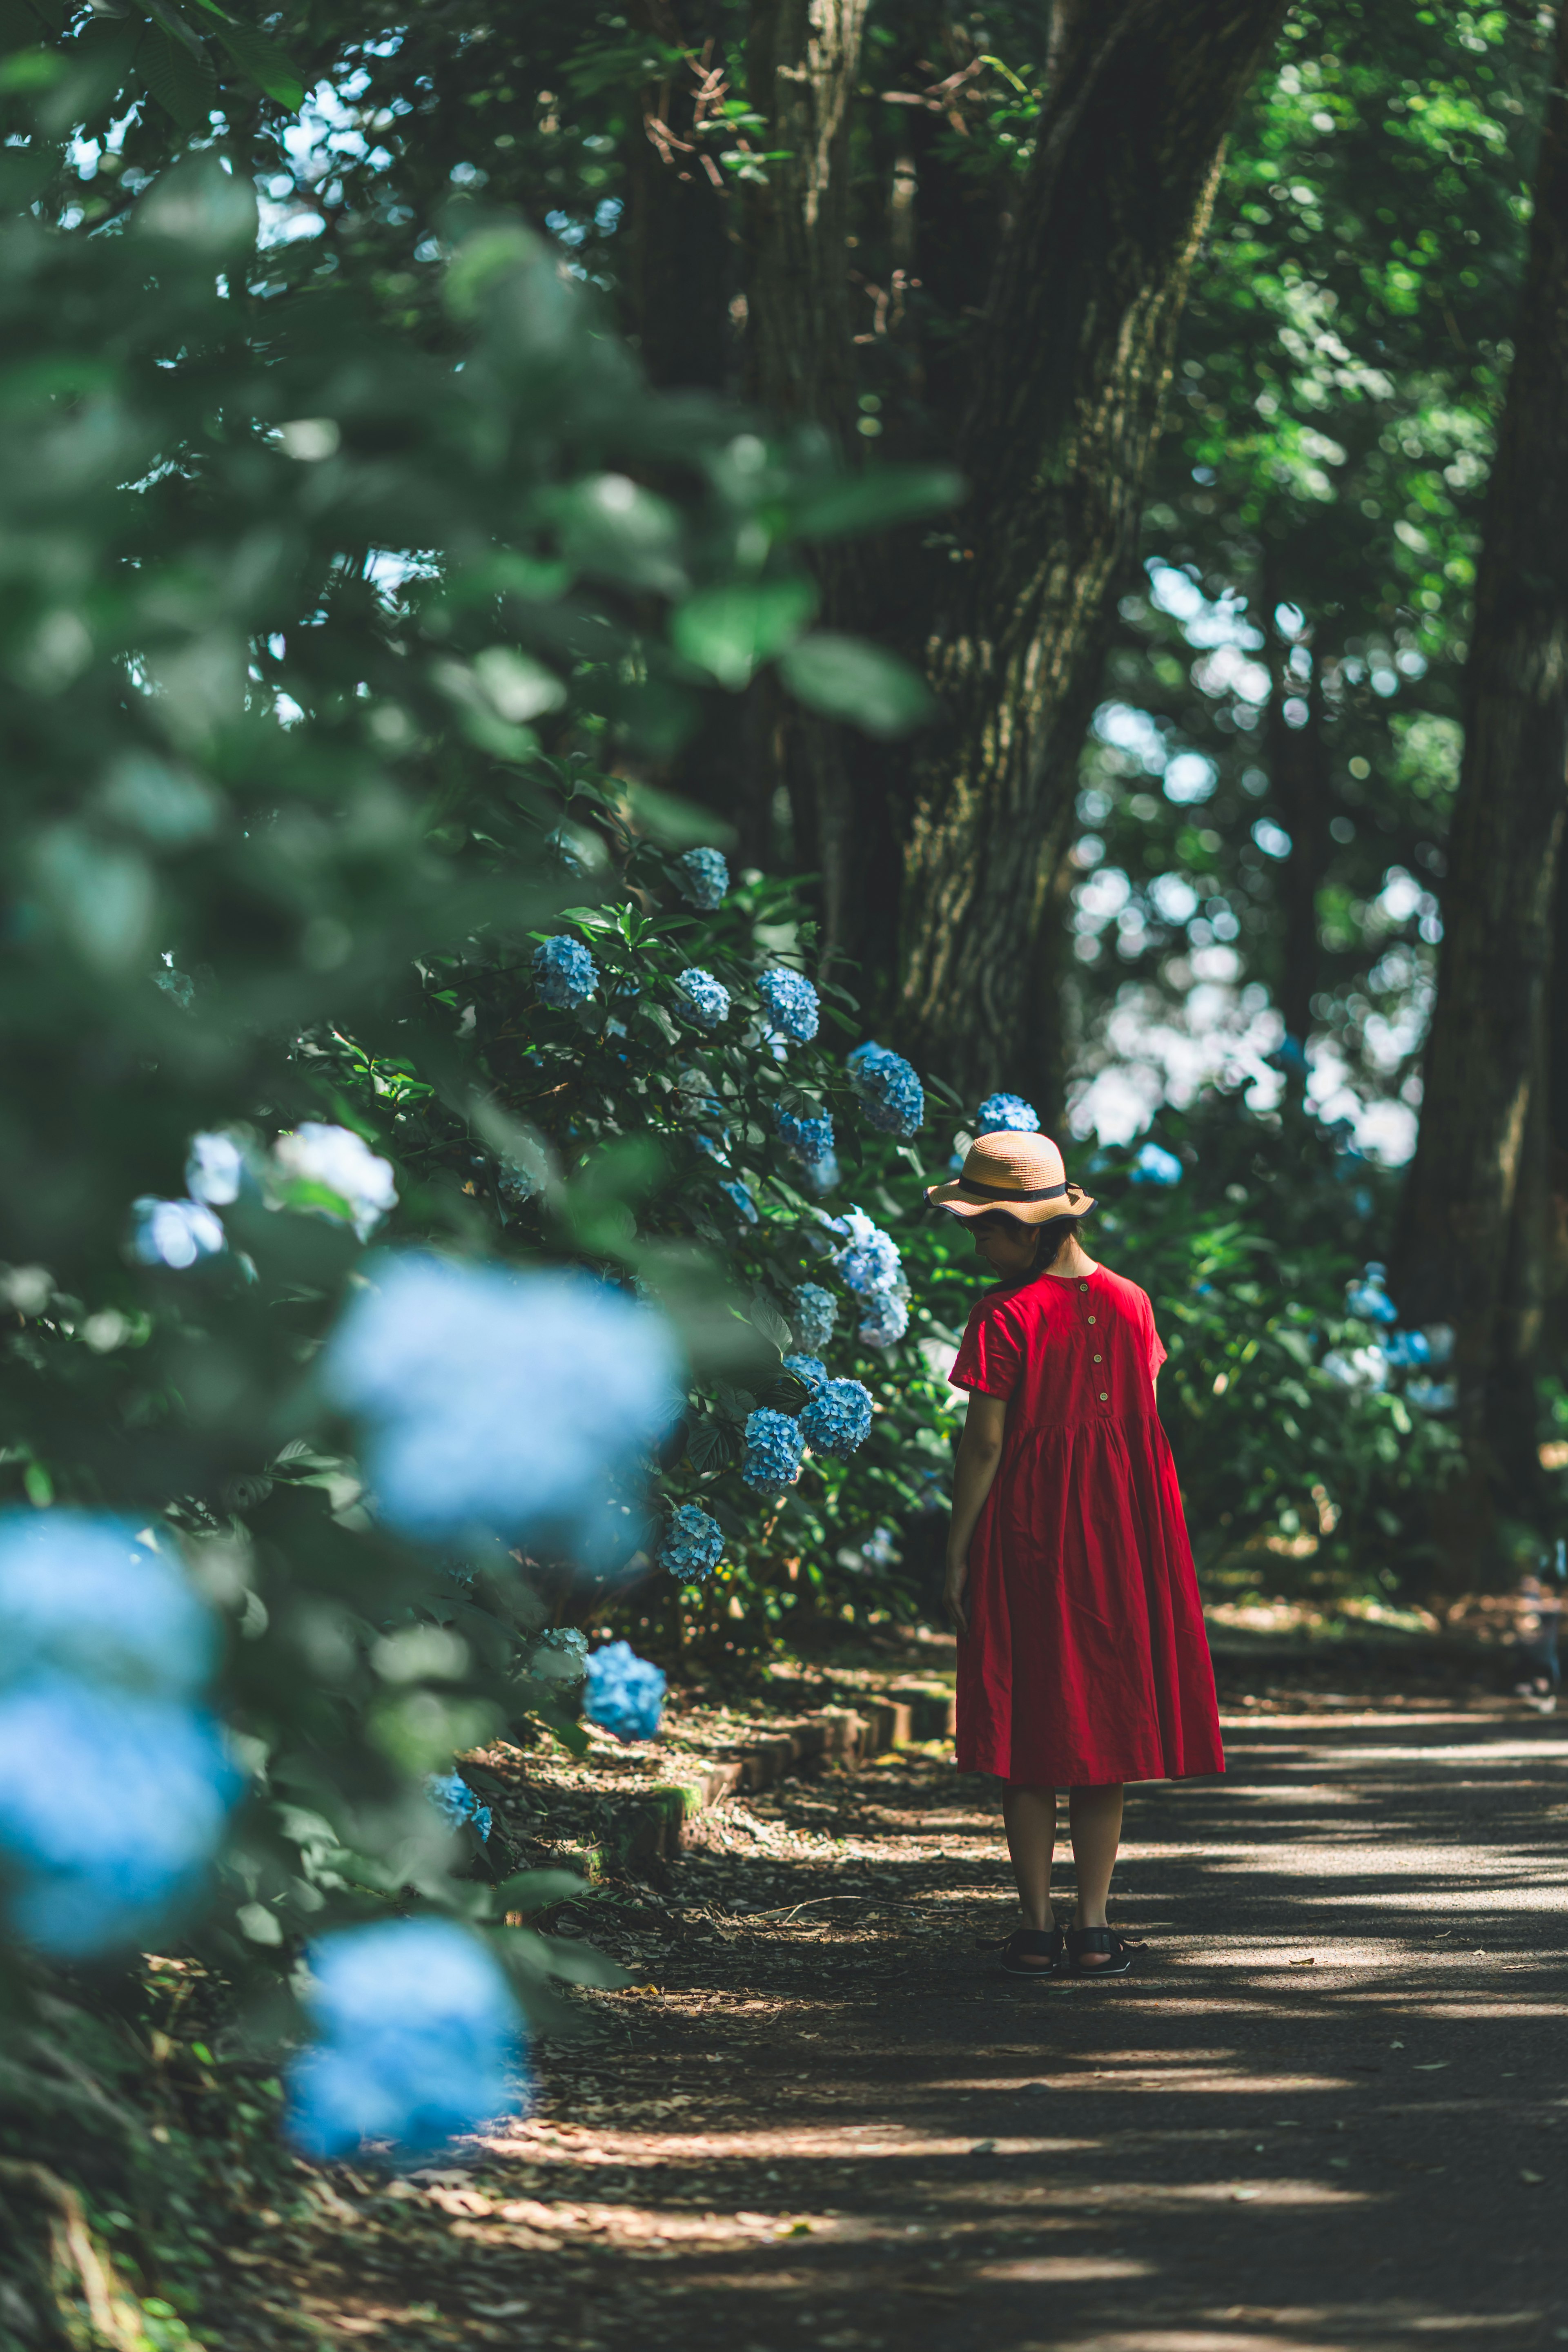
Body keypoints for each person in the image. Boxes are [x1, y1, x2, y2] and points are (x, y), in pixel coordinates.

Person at [927, 1129, 1225, 1979]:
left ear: (1033, 1228)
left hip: (1029, 1532)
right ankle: (1093, 1930)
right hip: (1126, 1534)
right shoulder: (1134, 1303)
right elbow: (1137, 1425)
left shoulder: (1003, 1314)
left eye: (985, 1228)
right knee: (1106, 1725)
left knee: (1030, 1728)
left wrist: (956, 1550)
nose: (975, 1245)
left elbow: (984, 1446)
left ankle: (1035, 1927)